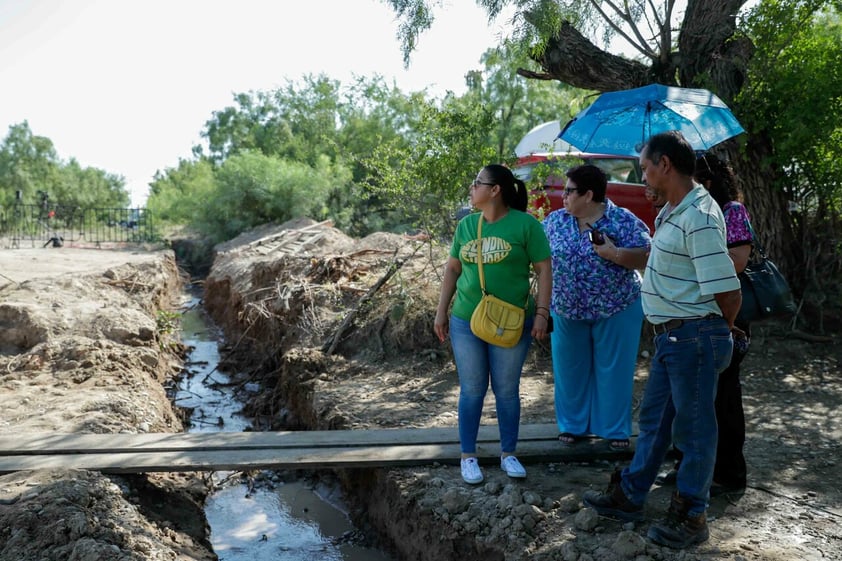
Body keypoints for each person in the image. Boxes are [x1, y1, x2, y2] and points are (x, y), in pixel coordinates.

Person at [582, 131, 742, 549]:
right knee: (654, 423)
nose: (643, 176)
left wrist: (712, 333)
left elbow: (728, 289)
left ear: (665, 165)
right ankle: (630, 495)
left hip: (692, 337)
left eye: (645, 167)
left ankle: (692, 514)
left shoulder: (700, 216)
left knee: (694, 430)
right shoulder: (675, 209)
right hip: (674, 338)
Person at [434, 164, 552, 485]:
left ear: (495, 190)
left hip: (512, 321)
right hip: (465, 320)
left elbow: (543, 269)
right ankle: (468, 456)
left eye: (477, 183)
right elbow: (453, 270)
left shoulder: (526, 225)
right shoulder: (467, 226)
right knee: (472, 389)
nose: (472, 189)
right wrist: (441, 311)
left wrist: (542, 313)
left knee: (507, 390)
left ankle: (509, 453)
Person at [657, 154, 753, 494]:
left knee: (722, 400)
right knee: (690, 400)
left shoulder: (731, 212)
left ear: (707, 183)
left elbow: (738, 262)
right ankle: (688, 467)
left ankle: (728, 474)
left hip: (724, 315)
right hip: (692, 316)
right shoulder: (683, 214)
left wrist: (698, 255)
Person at [542, 164, 651, 450]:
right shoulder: (555, 221)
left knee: (614, 370)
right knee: (569, 370)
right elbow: (537, 256)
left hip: (617, 306)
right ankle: (572, 426)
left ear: (588, 195)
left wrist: (615, 253)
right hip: (566, 309)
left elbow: (647, 257)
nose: (563, 196)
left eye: (569, 191)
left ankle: (615, 430)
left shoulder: (623, 221)